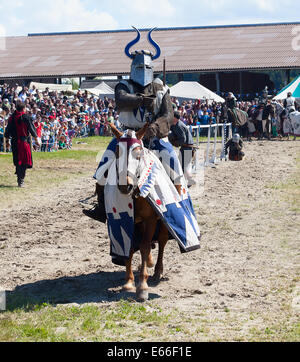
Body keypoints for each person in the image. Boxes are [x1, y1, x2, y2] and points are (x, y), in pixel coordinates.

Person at [83, 27, 184, 223]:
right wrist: (141, 100)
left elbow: (167, 115)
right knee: (104, 165)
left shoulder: (162, 88)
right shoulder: (124, 86)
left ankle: (178, 206)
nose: (143, 71)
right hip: (127, 137)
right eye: (139, 68)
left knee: (174, 163)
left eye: (147, 68)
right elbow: (121, 100)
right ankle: (101, 205)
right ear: (132, 68)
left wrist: (152, 129)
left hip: (153, 136)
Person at [4, 101, 40, 187]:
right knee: (24, 161)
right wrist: (36, 139)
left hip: (14, 142)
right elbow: (31, 129)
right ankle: (21, 180)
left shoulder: (11, 118)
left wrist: (7, 142)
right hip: (24, 142)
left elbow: (7, 132)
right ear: (24, 109)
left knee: (18, 161)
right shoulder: (25, 117)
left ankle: (19, 178)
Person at [168, 111, 196, 187]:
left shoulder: (179, 126)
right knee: (181, 164)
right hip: (185, 147)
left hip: (187, 147)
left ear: (176, 118)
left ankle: (189, 181)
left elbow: (182, 139)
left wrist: (175, 142)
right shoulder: (174, 125)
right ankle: (186, 180)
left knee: (184, 165)